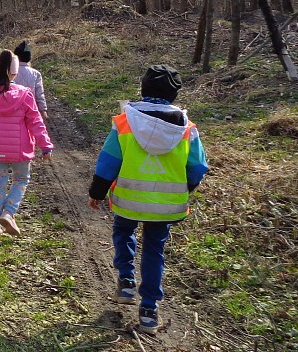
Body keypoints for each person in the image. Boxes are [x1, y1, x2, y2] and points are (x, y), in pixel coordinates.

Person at [88, 64, 209, 335]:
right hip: (166, 206)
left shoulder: (125, 122)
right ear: (175, 94)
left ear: (143, 89)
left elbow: (108, 161)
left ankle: (126, 282)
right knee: (155, 250)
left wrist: (97, 191)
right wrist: (184, 189)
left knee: (123, 231)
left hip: (128, 201)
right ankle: (149, 311)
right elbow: (198, 167)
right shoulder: (187, 129)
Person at [0, 50, 53, 241]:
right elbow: (36, 122)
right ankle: (9, 212)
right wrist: (45, 145)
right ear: (15, 72)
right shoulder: (24, 95)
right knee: (21, 179)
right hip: (20, 150)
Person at [14, 40, 48, 120]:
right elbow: (39, 93)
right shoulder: (36, 74)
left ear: (16, 57)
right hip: (30, 108)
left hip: (14, 108)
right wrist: (43, 110)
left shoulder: (11, 72)